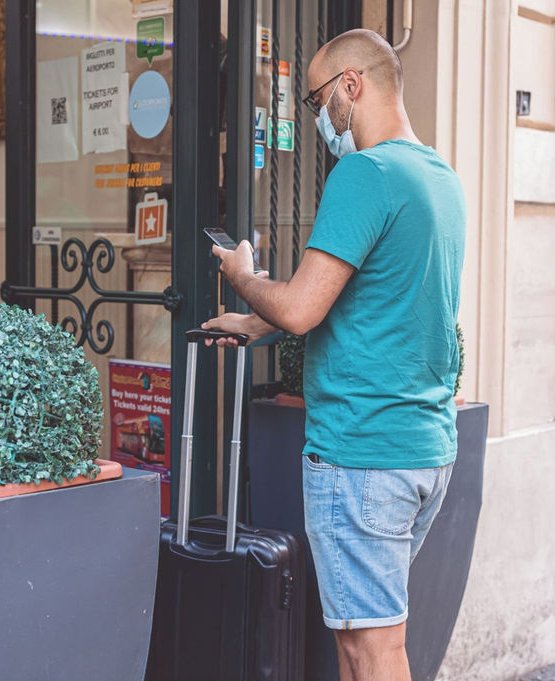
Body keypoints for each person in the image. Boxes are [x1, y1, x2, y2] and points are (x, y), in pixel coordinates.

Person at [203, 28, 466, 681]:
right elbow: (373, 304)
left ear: (354, 85)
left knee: (374, 651)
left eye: (318, 100)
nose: (318, 117)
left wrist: (243, 274)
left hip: (362, 455)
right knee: (359, 643)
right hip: (421, 447)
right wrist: (253, 322)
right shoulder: (438, 176)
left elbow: (299, 306)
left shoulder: (365, 173)